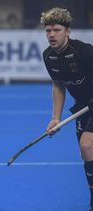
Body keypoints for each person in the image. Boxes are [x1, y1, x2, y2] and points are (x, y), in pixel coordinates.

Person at [41, 7, 93, 209]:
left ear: (67, 32)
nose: (52, 35)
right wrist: (56, 117)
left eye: (57, 30)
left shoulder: (84, 51)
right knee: (87, 153)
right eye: (48, 31)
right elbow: (58, 85)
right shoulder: (48, 57)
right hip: (82, 106)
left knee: (87, 145)